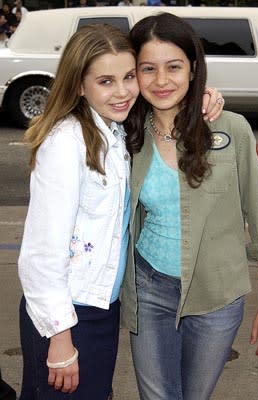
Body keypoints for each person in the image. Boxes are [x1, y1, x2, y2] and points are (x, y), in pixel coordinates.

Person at [18, 19, 222, 400]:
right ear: (79, 84)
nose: (123, 91)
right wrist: (60, 337)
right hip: (67, 312)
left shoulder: (116, 130)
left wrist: (205, 94)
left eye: (129, 76)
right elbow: (41, 252)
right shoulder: (66, 144)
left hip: (102, 307)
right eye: (105, 81)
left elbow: (167, 96)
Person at [120, 12, 258, 400]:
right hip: (149, 287)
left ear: (193, 69)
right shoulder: (125, 135)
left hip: (217, 294)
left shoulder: (231, 129)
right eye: (147, 69)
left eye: (174, 67)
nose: (162, 80)